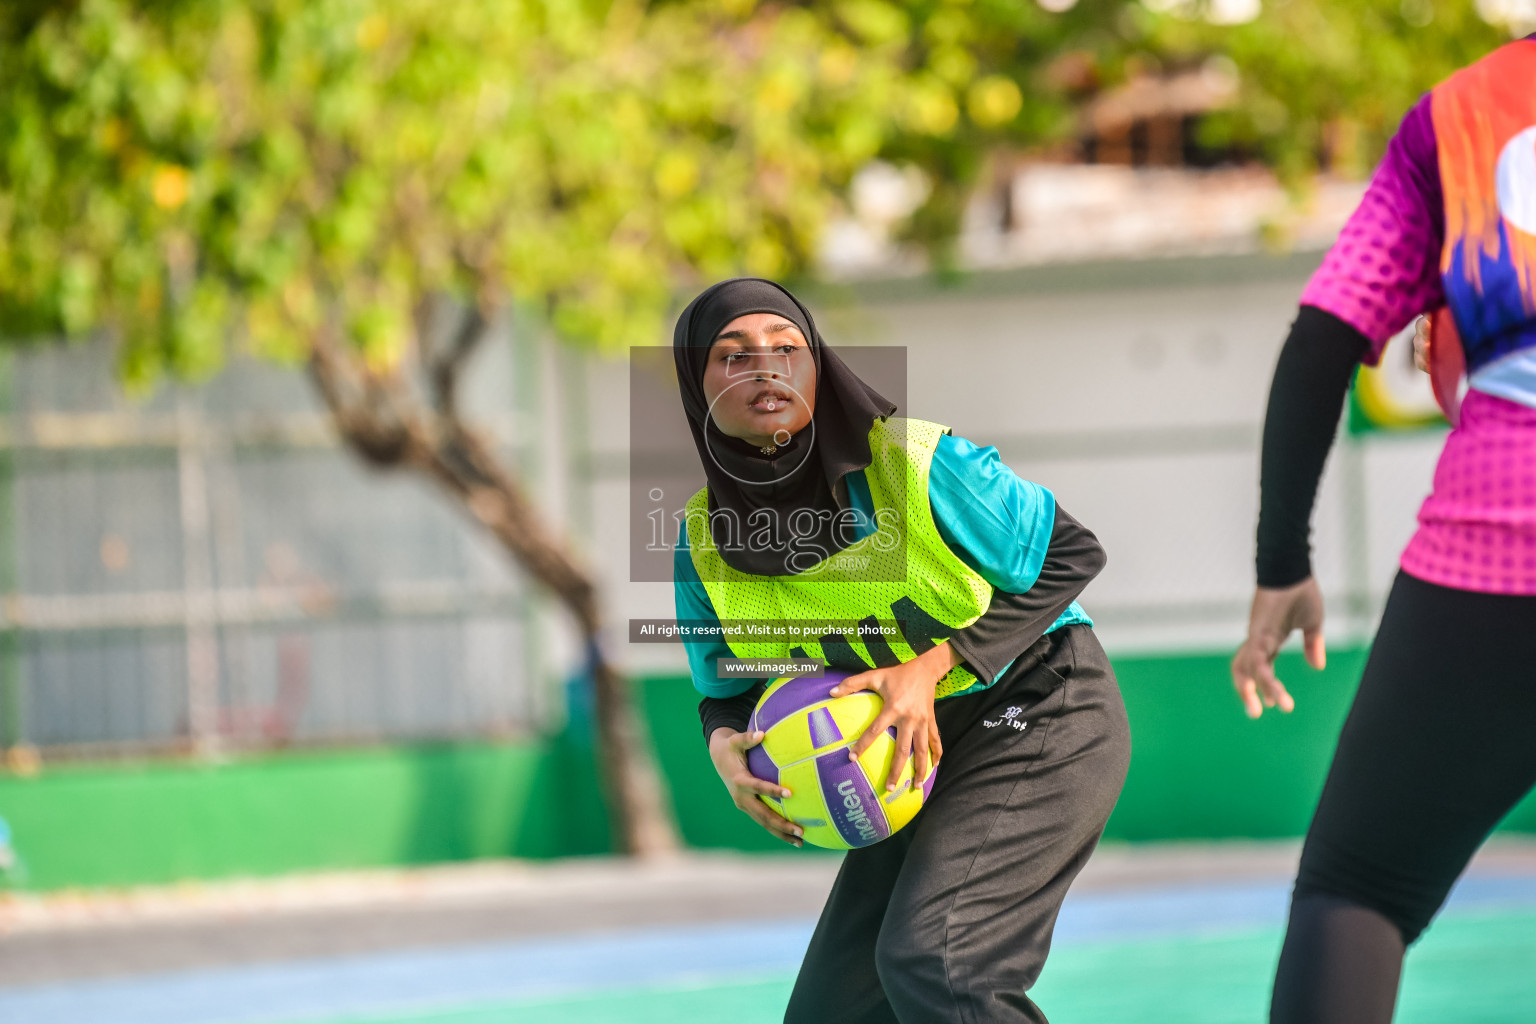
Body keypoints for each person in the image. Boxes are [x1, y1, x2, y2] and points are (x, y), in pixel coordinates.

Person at [669, 277, 1129, 1024]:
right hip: (904, 750)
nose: (765, 369)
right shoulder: (702, 542)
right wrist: (724, 744)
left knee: (939, 963)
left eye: (788, 349)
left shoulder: (915, 461)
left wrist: (932, 665)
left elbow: (1073, 552)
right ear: (699, 386)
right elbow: (724, 683)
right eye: (732, 355)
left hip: (1040, 705)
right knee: (831, 1013)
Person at [1230, 33, 1536, 1024]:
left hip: (1492, 551)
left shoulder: (1461, 115)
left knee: (1358, 889)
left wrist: (1283, 563)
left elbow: (1324, 338)